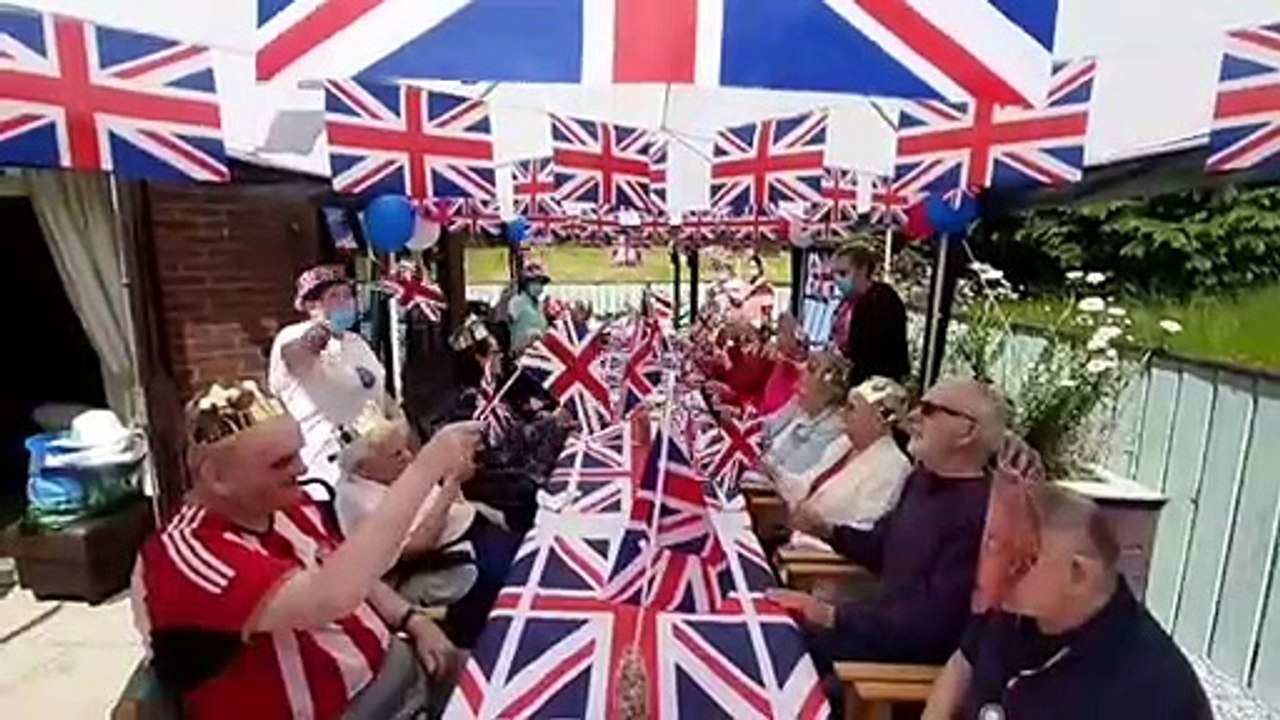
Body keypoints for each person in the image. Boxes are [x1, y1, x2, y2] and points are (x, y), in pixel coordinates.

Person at [131, 380, 483, 720]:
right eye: (280, 463)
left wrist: (414, 620)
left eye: (298, 453)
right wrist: (428, 466)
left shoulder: (287, 506)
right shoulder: (186, 554)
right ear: (216, 477)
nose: (300, 468)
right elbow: (330, 596)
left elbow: (353, 574)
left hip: (402, 671)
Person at [768, 377, 1005, 666]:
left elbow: (931, 626)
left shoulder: (984, 514)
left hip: (892, 669)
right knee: (765, 627)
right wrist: (828, 531)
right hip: (868, 631)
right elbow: (882, 547)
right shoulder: (921, 480)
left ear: (967, 431)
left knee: (773, 653)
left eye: (929, 410)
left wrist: (831, 615)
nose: (915, 417)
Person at [923, 483, 1213, 720]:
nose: (997, 570)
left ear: (1079, 574)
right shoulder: (1011, 609)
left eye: (1021, 560)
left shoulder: (1150, 689)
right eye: (997, 549)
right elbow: (963, 662)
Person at [335, 404, 520, 648]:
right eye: (397, 455)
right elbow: (416, 547)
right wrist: (452, 483)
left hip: (473, 526)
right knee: (522, 578)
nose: (408, 457)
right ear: (363, 468)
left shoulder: (389, 471)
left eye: (404, 450)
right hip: (450, 558)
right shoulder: (359, 503)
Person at [269, 264, 386, 494]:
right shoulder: (292, 335)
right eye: (334, 296)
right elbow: (296, 354)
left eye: (347, 295)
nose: (344, 301)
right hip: (324, 471)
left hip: (368, 467)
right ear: (311, 305)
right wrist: (316, 336)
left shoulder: (356, 342)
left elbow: (378, 392)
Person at [783, 377, 913, 549]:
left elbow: (863, 535)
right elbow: (803, 484)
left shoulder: (893, 466)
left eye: (851, 408)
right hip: (792, 537)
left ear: (878, 419)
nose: (842, 414)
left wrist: (819, 529)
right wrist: (767, 470)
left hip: (820, 558)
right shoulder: (844, 444)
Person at [760, 351, 851, 494]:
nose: (796, 388)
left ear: (828, 396)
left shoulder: (830, 428)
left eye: (804, 387)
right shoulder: (800, 403)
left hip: (769, 488)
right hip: (758, 462)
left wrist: (758, 461)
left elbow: (789, 474)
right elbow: (769, 424)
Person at [830, 242, 909, 385]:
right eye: (834, 274)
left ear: (863, 270)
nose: (837, 280)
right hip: (855, 379)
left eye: (843, 273)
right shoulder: (848, 302)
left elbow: (875, 349)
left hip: (877, 383)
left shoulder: (883, 299)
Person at [507, 263, 551, 354]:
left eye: (541, 284)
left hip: (539, 353)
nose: (539, 287)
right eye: (536, 282)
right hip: (521, 355)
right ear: (526, 283)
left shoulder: (539, 306)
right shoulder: (516, 301)